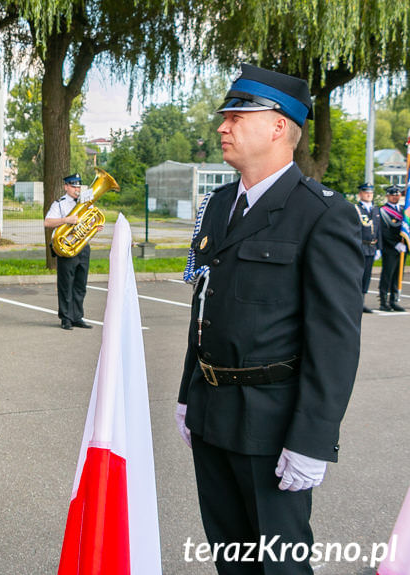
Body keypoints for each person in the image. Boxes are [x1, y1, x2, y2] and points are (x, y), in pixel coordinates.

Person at [175, 64, 362, 575]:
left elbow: (335, 342)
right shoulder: (218, 205)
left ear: (279, 127)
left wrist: (311, 441)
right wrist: (188, 393)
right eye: (225, 117)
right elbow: (205, 307)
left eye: (237, 116)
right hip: (213, 413)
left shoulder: (323, 215)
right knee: (230, 557)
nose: (222, 126)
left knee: (280, 565)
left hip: (273, 427)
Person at [44, 173, 93, 330]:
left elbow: (91, 222)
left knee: (80, 284)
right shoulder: (59, 204)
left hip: (83, 247)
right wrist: (66, 220)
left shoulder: (87, 204)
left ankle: (77, 316)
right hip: (66, 248)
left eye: (78, 186)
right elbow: (47, 222)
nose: (77, 189)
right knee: (66, 284)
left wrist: (95, 226)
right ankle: (66, 318)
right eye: (73, 186)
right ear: (66, 187)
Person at [378, 185, 406, 312]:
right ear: (388, 196)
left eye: (397, 194)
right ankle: (384, 302)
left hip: (402, 248)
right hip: (390, 248)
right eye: (392, 194)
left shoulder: (403, 210)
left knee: (397, 275)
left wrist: (405, 243)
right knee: (387, 275)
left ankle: (393, 301)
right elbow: (383, 231)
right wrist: (395, 244)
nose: (395, 196)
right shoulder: (383, 211)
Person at [355, 183, 380, 313]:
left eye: (371, 192)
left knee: (367, 276)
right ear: (360, 194)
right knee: (358, 275)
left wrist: (379, 248)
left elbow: (378, 230)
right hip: (361, 246)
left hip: (372, 247)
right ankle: (356, 302)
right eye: (366, 192)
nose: (369, 194)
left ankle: (362, 302)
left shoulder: (375, 210)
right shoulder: (356, 209)